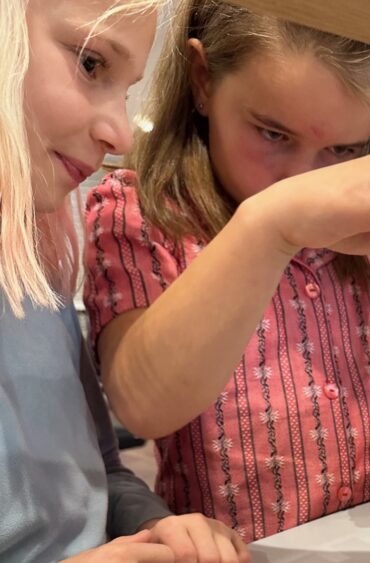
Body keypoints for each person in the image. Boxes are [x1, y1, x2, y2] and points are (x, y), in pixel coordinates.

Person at [84, 0, 370, 542]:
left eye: (344, 148)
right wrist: (272, 225)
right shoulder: (140, 213)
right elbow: (141, 405)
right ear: (203, 79)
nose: (306, 180)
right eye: (273, 134)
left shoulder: (367, 234)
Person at [0, 0, 248, 561]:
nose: (121, 135)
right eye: (91, 64)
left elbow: (101, 475)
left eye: (125, 88)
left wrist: (160, 525)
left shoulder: (39, 267)